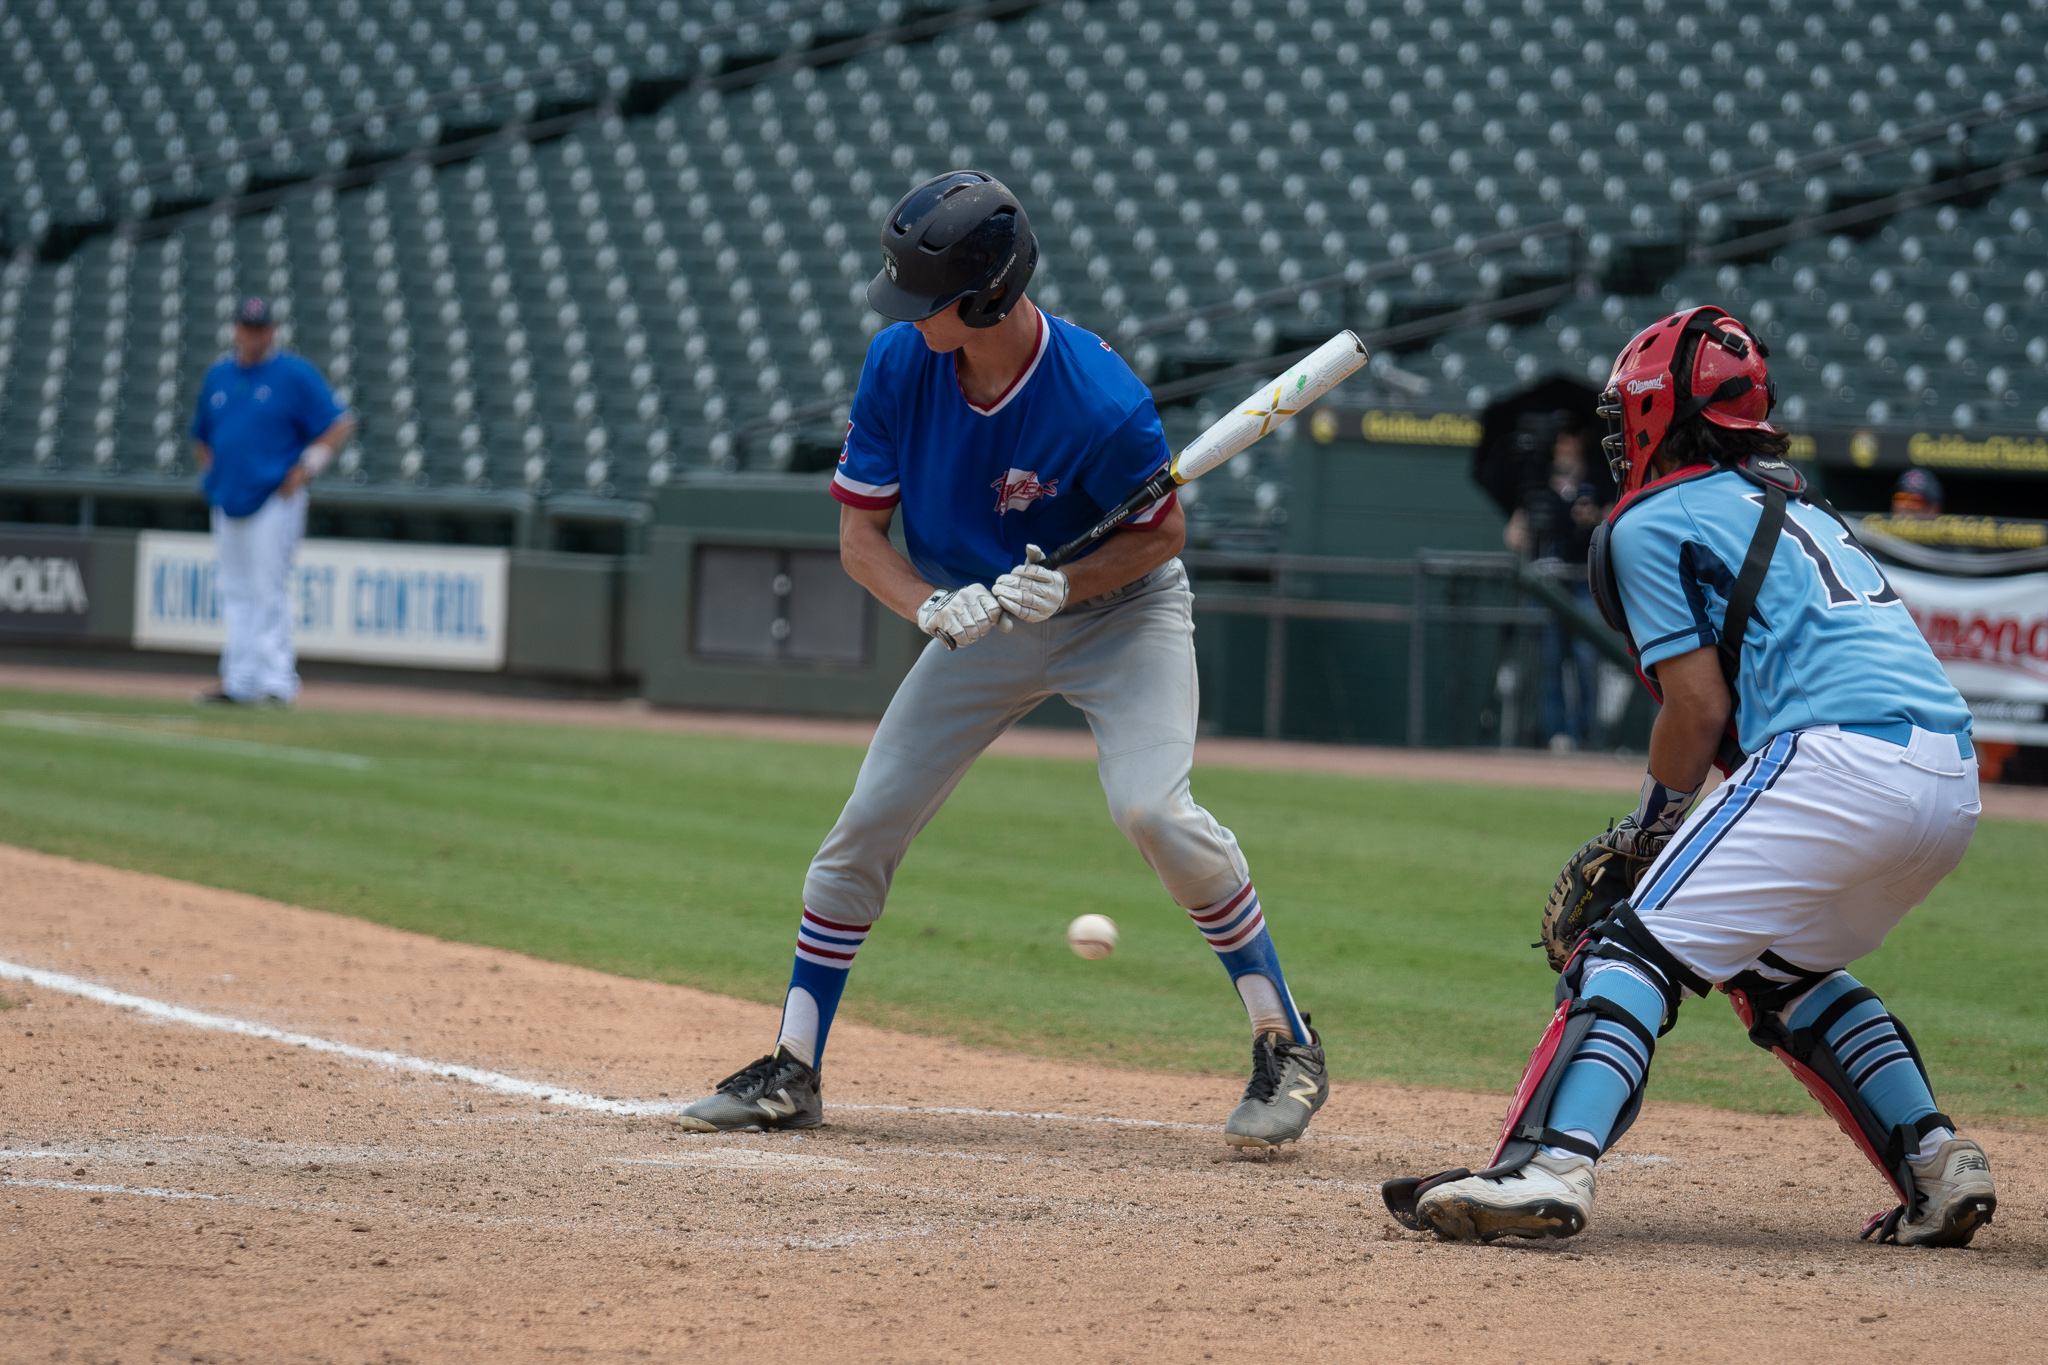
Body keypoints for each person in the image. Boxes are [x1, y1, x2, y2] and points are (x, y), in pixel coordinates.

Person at [678, 171, 1329, 1149]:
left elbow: (1161, 535)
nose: (903, 314)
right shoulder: (900, 363)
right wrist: (933, 606)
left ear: (985, 298)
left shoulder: (1102, 402)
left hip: (1123, 615)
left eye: (924, 297)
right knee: (866, 822)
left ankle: (1286, 1042)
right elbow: (860, 541)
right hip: (982, 619)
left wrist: (1068, 585)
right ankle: (791, 1068)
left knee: (1151, 809)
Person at [1396, 306, 1994, 1247]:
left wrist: (1649, 828)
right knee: (1779, 968)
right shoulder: (1803, 505)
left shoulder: (1649, 518)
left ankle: (1548, 1165)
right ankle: (1933, 1158)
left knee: (1625, 949)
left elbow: (1698, 708)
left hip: (1835, 759)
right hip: (1950, 779)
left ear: (1653, 414)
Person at [190, 296, 353, 706]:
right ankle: (240, 680)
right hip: (228, 496)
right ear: (235, 329)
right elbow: (201, 434)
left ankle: (277, 681)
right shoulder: (219, 375)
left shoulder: (293, 373)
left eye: (260, 327)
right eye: (247, 326)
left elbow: (338, 423)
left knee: (268, 588)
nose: (253, 334)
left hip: (273, 496)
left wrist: (306, 468)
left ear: (272, 331)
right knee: (235, 589)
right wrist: (213, 474)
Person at [1503, 414, 1611, 750]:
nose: (1564, 443)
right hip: (1547, 585)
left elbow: (1613, 519)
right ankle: (1556, 735)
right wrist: (1520, 533)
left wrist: (1594, 518)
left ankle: (1587, 737)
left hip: (1584, 581)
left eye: (1570, 435)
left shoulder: (1598, 478)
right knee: (1549, 661)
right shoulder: (1536, 483)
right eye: (1559, 436)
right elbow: (1514, 532)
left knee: (1586, 660)